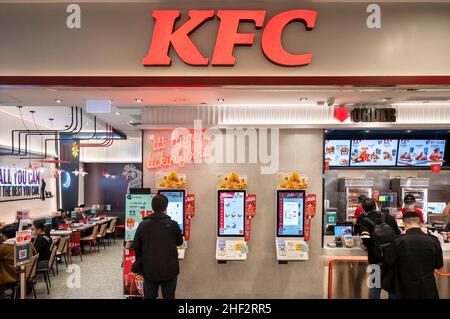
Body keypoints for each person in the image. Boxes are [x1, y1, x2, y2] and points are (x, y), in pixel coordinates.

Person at [133, 194, 183, 299]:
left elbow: (136, 246)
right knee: (169, 297)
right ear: (166, 207)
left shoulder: (143, 224)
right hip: (170, 269)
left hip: (149, 269)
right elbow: (179, 242)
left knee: (150, 297)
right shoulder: (173, 224)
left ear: (152, 207)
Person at [384, 211, 444, 299]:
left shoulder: (398, 241)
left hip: (404, 290)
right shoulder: (433, 241)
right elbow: (439, 265)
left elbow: (389, 263)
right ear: (420, 224)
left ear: (404, 223)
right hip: (428, 289)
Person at [356, 198, 400, 299]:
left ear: (363, 209)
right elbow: (398, 235)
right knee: (392, 288)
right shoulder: (389, 218)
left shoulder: (364, 221)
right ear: (376, 206)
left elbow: (366, 241)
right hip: (392, 258)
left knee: (375, 288)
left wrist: (367, 246)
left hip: (376, 259)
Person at [0, 224, 18, 294]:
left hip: (10, 276)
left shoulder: (3, 248)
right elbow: (35, 255)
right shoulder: (27, 243)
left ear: (4, 236)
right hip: (26, 275)